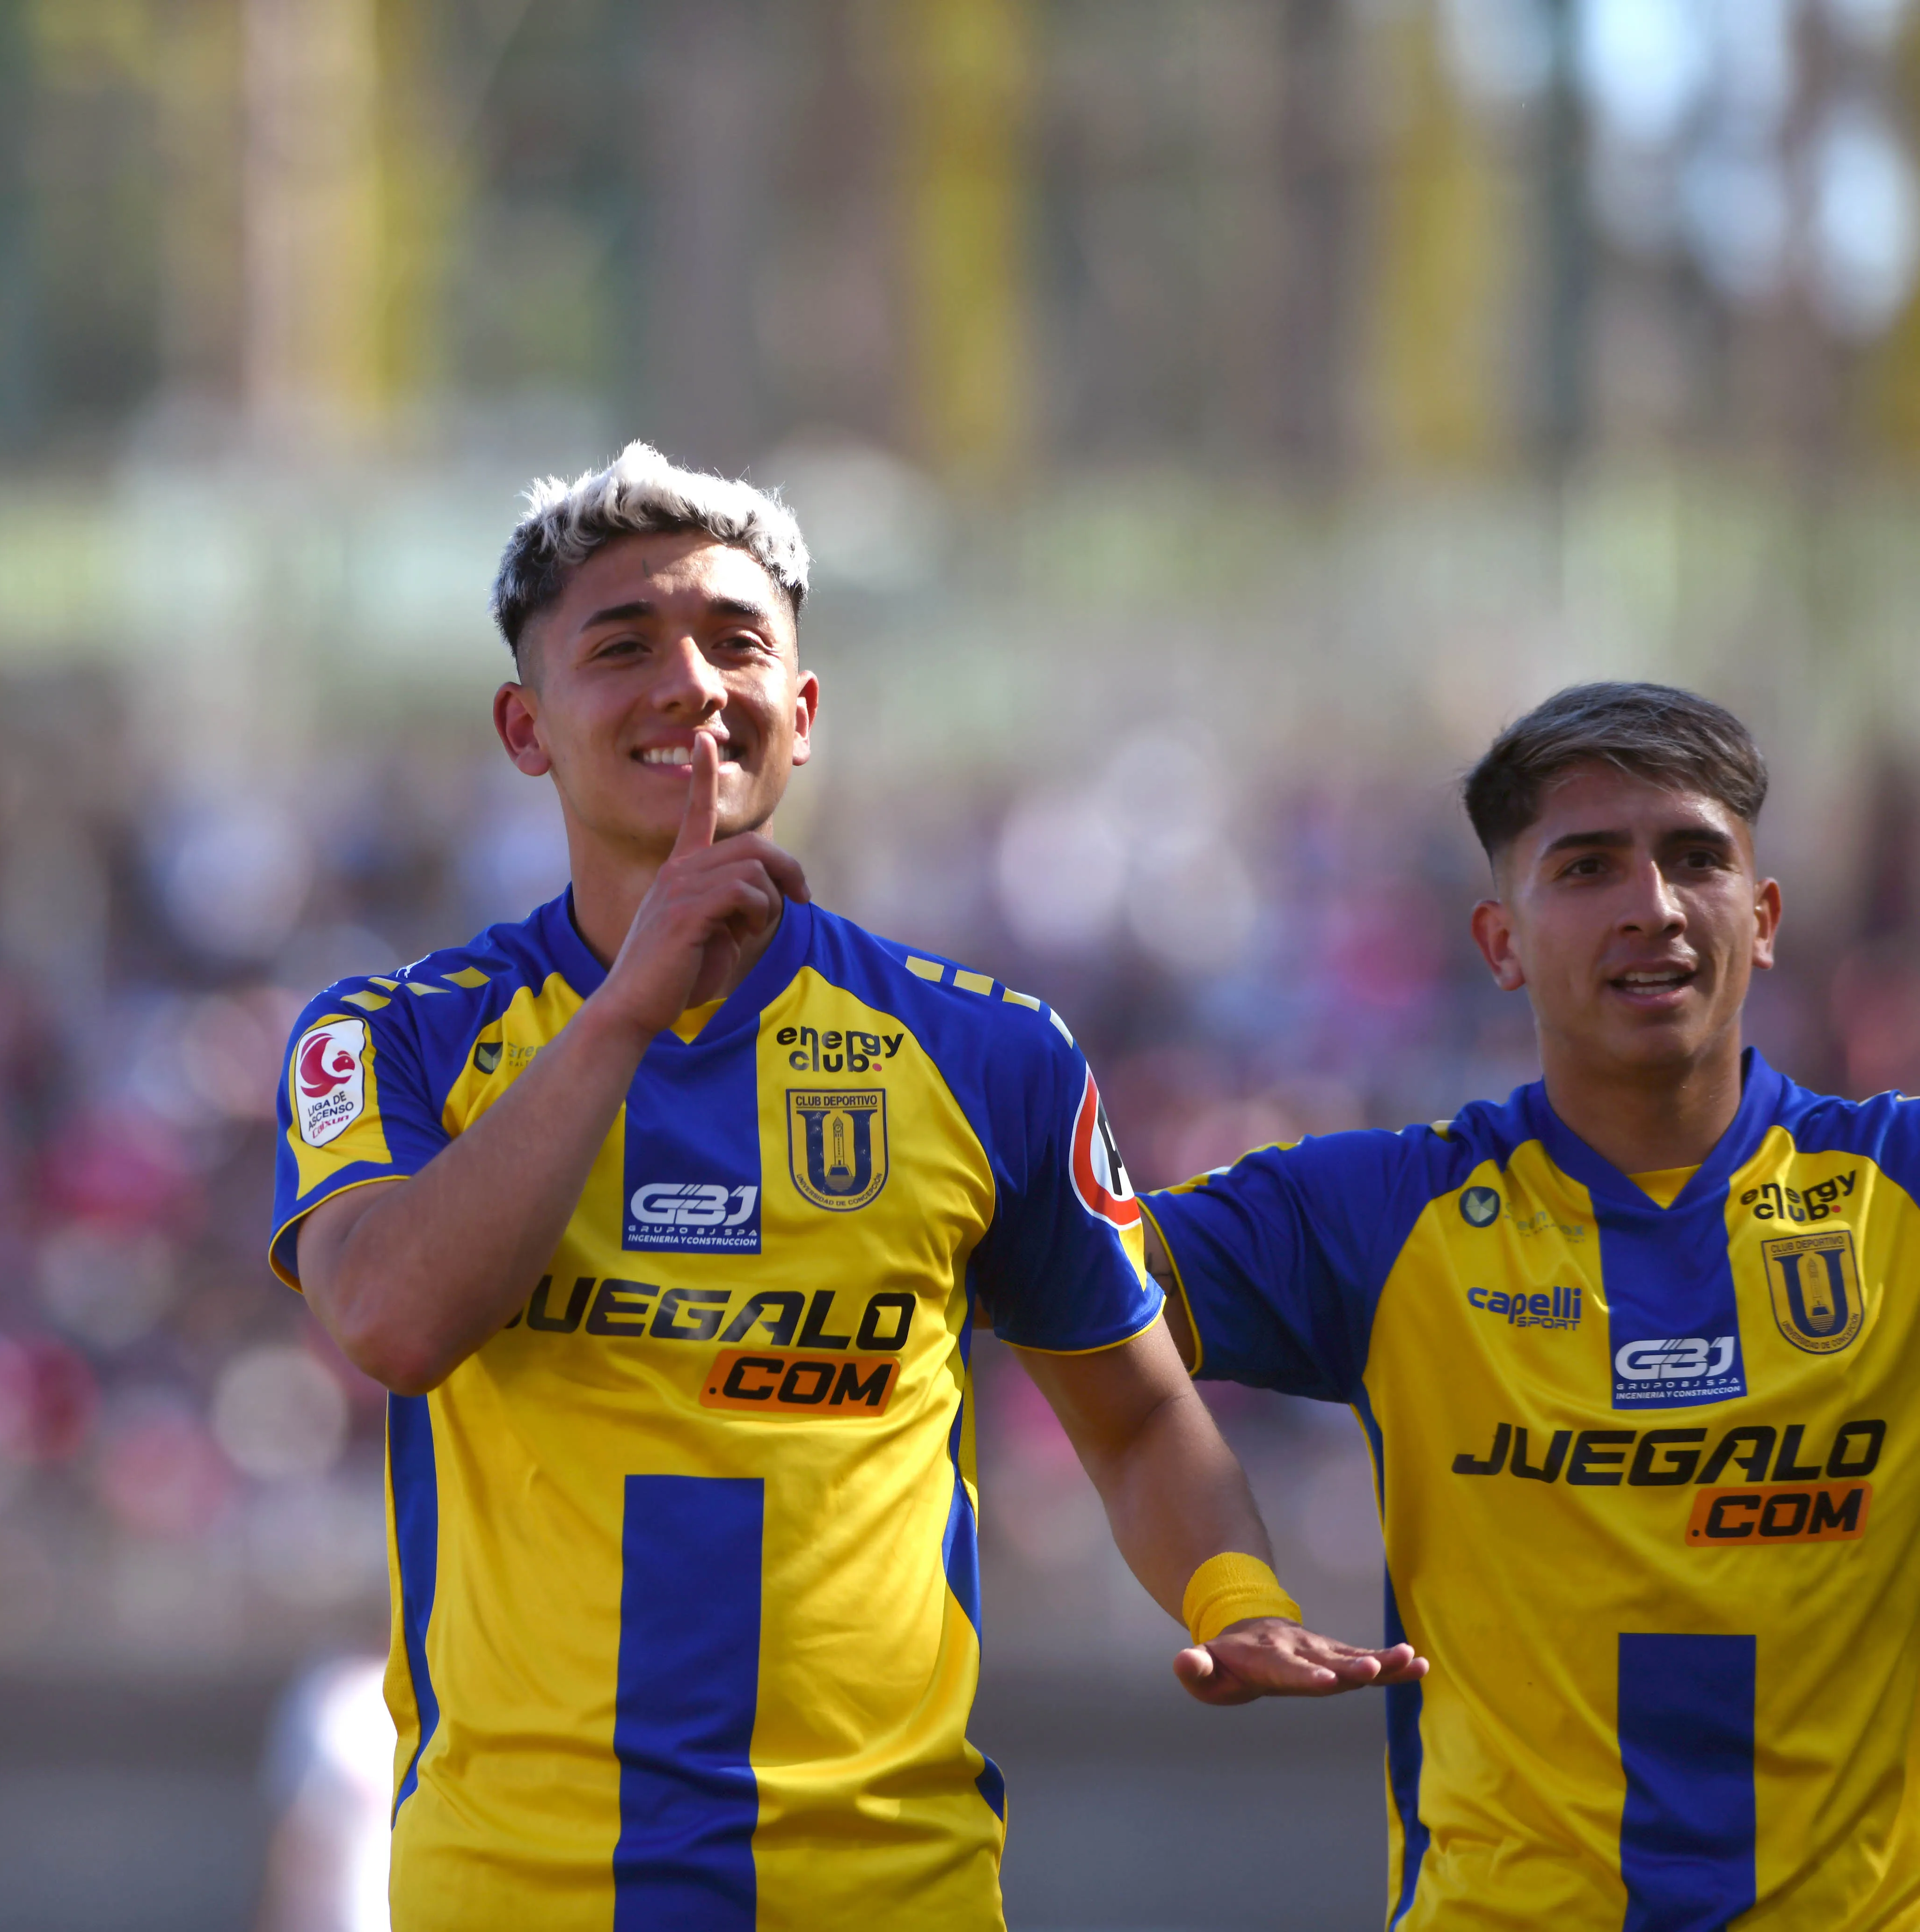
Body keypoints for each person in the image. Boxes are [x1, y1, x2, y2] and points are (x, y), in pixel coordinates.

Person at [268, 443, 1419, 1928]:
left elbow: (1135, 1420)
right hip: (519, 1896)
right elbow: (396, 1319)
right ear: (525, 727)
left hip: (890, 1896)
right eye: (623, 646)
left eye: (738, 644)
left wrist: (1235, 1601)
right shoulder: (395, 1037)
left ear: (800, 716)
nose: (690, 683)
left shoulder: (984, 1054)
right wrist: (629, 1005)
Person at [1143, 681, 1920, 1928]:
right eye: (1588, 868)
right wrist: (1231, 1588)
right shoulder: (1378, 1216)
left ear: (1763, 918)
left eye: (1696, 859)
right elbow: (1041, 1274)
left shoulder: (1900, 1193)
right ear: (1500, 943)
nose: (1653, 908)